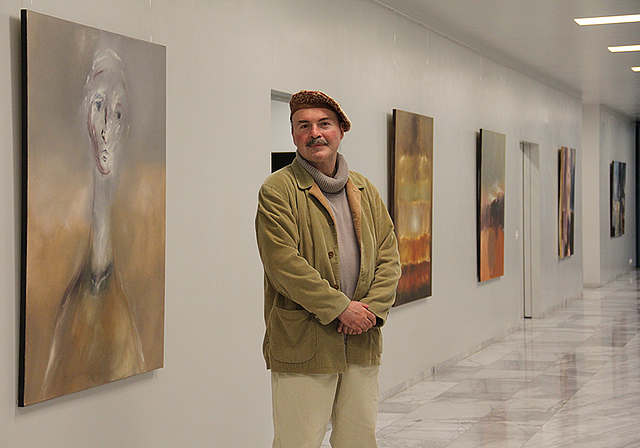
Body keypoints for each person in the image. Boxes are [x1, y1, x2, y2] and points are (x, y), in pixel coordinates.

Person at [255, 90, 401, 448]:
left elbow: (389, 256)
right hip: (305, 344)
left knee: (359, 440)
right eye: (303, 126)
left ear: (340, 131)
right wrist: (341, 309)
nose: (314, 133)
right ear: (293, 135)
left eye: (324, 124)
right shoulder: (277, 190)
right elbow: (284, 265)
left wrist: (370, 311)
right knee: (298, 441)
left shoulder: (366, 190)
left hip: (361, 339)